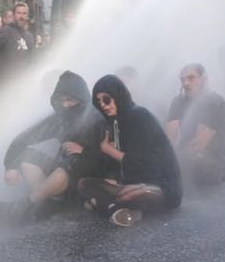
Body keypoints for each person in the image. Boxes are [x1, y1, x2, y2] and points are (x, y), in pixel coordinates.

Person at [0, 71, 103, 222]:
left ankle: (25, 208)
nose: (65, 105)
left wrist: (84, 152)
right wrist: (10, 167)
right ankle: (44, 206)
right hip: (64, 174)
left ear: (82, 99)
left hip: (93, 174)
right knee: (27, 155)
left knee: (74, 160)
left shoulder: (98, 117)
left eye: (70, 100)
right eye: (61, 100)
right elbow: (21, 140)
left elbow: (114, 152)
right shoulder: (59, 119)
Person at [78, 75, 182, 227]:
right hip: (128, 184)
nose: (104, 105)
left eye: (107, 99)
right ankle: (120, 211)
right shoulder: (110, 123)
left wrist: (109, 150)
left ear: (118, 95)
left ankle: (108, 207)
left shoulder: (140, 117)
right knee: (84, 184)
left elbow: (146, 162)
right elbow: (111, 164)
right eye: (99, 102)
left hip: (161, 185)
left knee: (133, 195)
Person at [164, 64, 225, 188]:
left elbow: (199, 145)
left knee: (197, 158)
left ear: (204, 79)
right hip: (185, 157)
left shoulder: (214, 101)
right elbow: (170, 139)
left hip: (214, 163)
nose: (186, 83)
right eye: (182, 80)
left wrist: (172, 162)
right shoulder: (178, 101)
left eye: (191, 78)